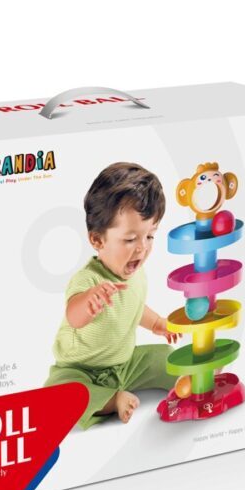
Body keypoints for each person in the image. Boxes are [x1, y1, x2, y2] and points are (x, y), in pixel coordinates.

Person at [45, 162, 182, 426]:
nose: (142, 248)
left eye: (150, 236)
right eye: (130, 239)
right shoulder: (89, 280)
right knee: (57, 396)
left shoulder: (136, 274)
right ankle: (111, 400)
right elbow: (73, 315)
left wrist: (157, 323)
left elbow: (132, 307)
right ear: (97, 240)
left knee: (164, 355)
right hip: (80, 371)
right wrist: (89, 303)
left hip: (125, 364)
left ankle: (193, 377)